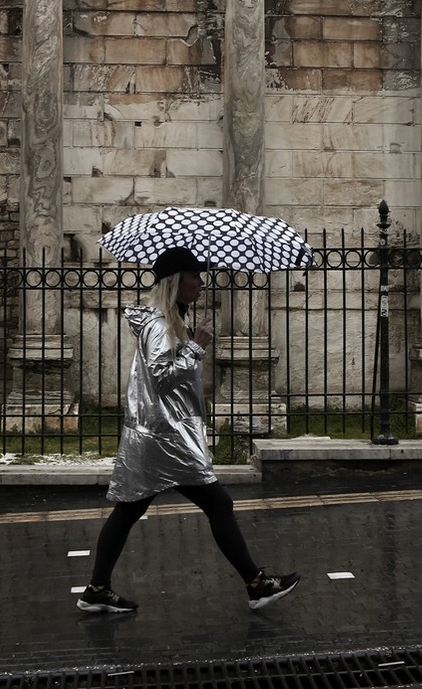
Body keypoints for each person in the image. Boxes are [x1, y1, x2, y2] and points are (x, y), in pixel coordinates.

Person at [77, 246, 300, 613]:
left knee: (129, 511)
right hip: (167, 438)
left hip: (158, 434)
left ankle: (97, 589)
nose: (201, 282)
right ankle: (257, 584)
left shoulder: (167, 321)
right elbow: (163, 378)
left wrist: (191, 342)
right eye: (195, 275)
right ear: (175, 281)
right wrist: (197, 347)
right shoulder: (159, 325)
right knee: (219, 503)